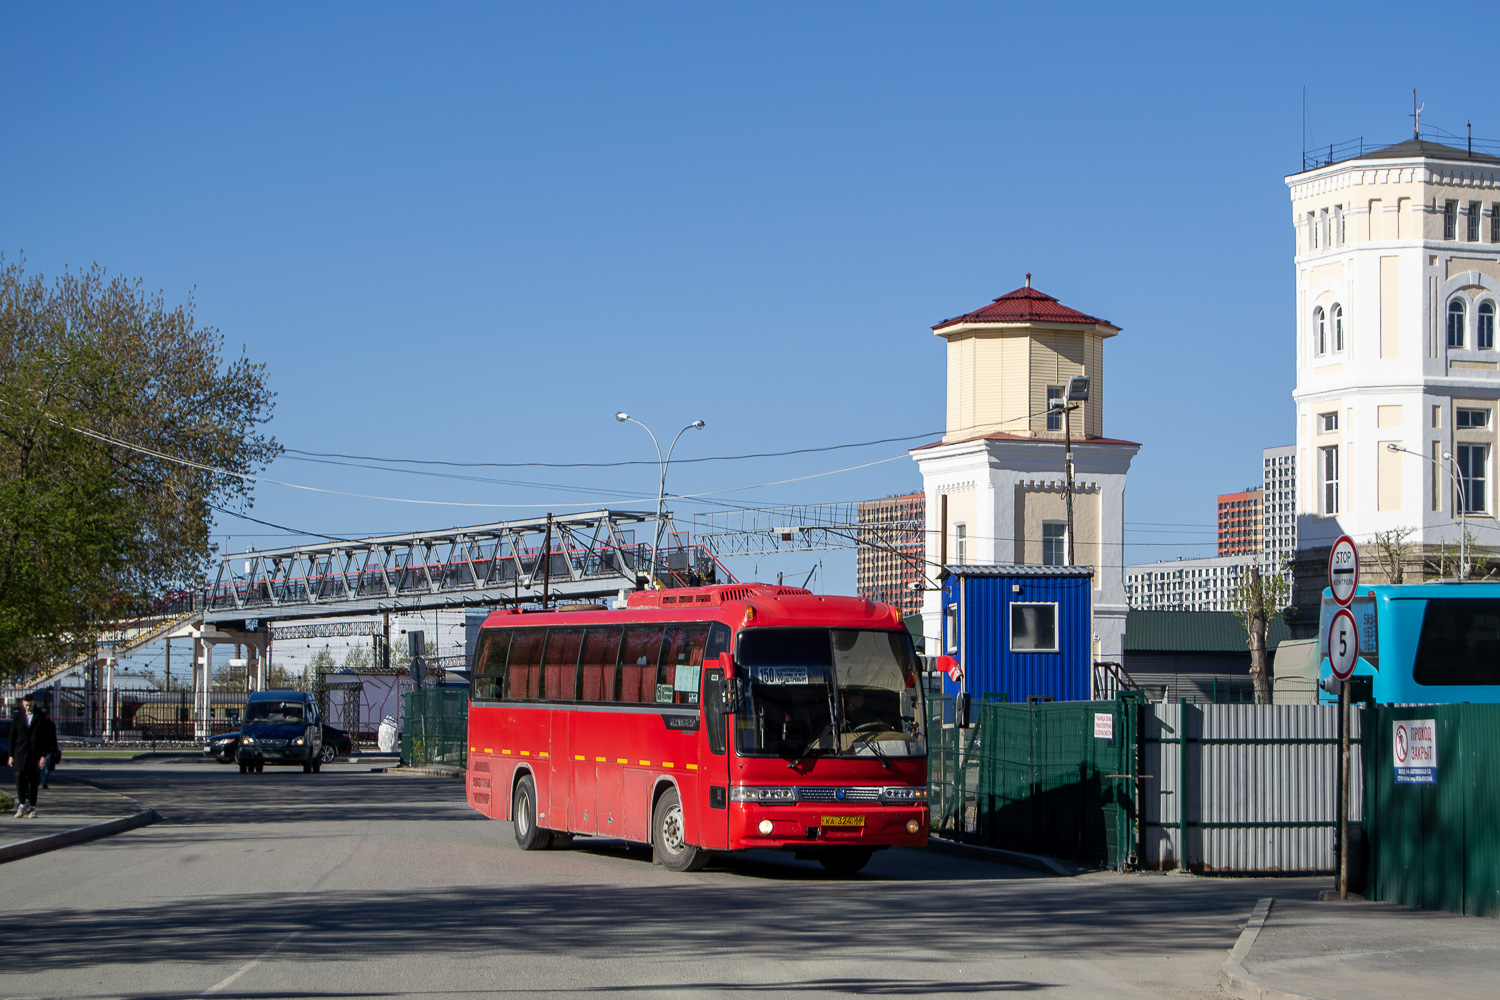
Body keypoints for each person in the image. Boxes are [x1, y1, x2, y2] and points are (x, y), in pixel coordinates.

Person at [5, 694, 58, 819]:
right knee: (19, 777)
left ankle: (32, 806)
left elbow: (46, 737)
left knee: (33, 780)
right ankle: (22, 803)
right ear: (22, 704)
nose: (28, 707)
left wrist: (44, 756)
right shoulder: (18, 716)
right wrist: (11, 755)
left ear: (33, 703)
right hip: (20, 752)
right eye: (26, 705)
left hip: (35, 753)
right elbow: (12, 736)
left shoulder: (40, 716)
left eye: (30, 705)